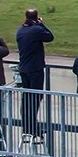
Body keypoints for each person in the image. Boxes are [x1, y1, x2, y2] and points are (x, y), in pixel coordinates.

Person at [15, 8, 54, 138]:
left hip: (24, 68)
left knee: (26, 98)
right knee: (36, 97)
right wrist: (41, 24)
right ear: (36, 17)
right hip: (35, 68)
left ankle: (27, 126)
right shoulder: (36, 30)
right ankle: (32, 127)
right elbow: (50, 36)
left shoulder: (20, 30)